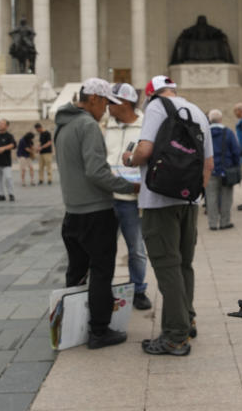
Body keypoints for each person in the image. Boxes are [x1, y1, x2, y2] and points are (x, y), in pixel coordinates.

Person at [123, 75, 214, 357]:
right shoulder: (198, 111)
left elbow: (145, 150)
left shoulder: (155, 107)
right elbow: (208, 164)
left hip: (158, 200)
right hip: (189, 200)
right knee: (184, 264)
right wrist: (195, 196)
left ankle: (175, 336)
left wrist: (129, 159)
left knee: (166, 266)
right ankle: (188, 318)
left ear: (151, 94)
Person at [54, 77, 140, 350]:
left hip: (72, 212)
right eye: (104, 103)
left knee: (77, 272)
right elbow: (95, 171)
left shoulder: (62, 125)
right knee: (102, 272)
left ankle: (71, 326)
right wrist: (129, 186)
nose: (105, 109)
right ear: (93, 99)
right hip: (95, 212)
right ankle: (99, 331)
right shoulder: (87, 125)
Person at [103, 82, 152, 311]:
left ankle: (139, 289)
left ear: (124, 103)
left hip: (132, 199)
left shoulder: (146, 127)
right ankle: (104, 290)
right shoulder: (105, 127)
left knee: (136, 248)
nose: (107, 106)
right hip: (106, 197)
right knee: (104, 248)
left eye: (111, 102)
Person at [205, 109, 240, 231]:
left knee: (210, 197)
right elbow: (236, 151)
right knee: (226, 197)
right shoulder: (228, 132)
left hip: (209, 170)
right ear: (220, 119)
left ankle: (212, 223)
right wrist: (236, 166)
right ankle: (225, 222)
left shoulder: (205, 133)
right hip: (226, 170)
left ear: (209, 120)